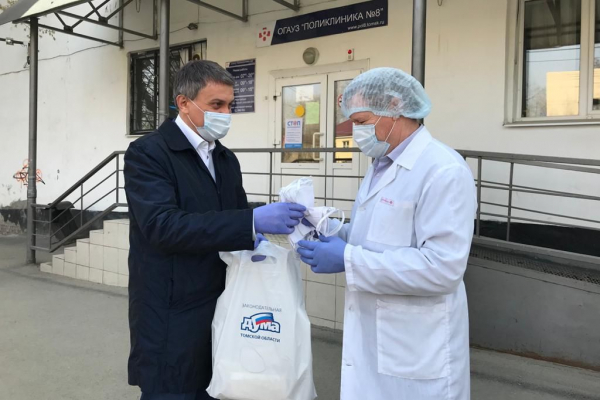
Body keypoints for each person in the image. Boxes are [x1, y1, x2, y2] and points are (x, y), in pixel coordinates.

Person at [124, 60, 306, 400]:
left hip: (224, 298)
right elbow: (162, 226)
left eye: (229, 105)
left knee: (220, 386)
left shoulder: (224, 158)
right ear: (183, 103)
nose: (226, 114)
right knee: (173, 388)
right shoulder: (148, 153)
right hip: (171, 307)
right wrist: (251, 221)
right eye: (217, 105)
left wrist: (281, 221)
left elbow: (231, 216)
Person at [296, 67, 477, 400]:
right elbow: (379, 234)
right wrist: (334, 231)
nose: (357, 132)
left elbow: (442, 268)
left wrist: (347, 259)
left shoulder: (443, 170)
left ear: (395, 107)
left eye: (362, 121)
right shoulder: (382, 164)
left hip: (415, 348)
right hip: (377, 337)